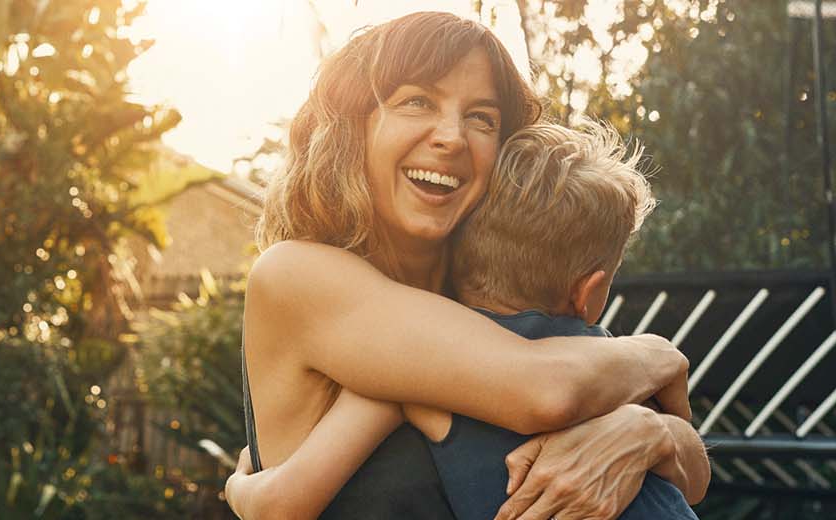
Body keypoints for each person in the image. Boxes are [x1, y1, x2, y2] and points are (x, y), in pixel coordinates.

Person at [225, 11, 702, 519]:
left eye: (482, 118)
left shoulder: (489, 299)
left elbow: (693, 479)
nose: (452, 137)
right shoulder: (296, 275)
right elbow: (547, 390)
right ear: (350, 125)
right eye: (417, 101)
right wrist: (657, 356)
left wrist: (645, 433)